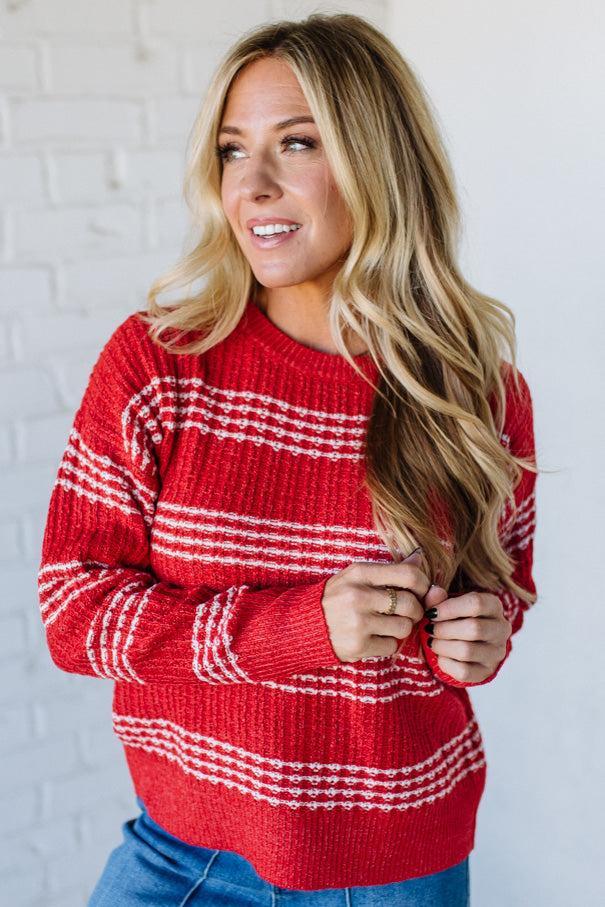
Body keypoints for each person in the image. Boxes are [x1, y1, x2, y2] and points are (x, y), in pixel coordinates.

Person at [37, 12, 539, 907]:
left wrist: (480, 636)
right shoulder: (159, 365)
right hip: (181, 853)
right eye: (233, 152)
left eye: (296, 143)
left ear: (377, 161)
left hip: (396, 868)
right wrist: (301, 626)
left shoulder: (478, 392)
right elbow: (75, 615)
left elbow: (500, 593)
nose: (253, 186)